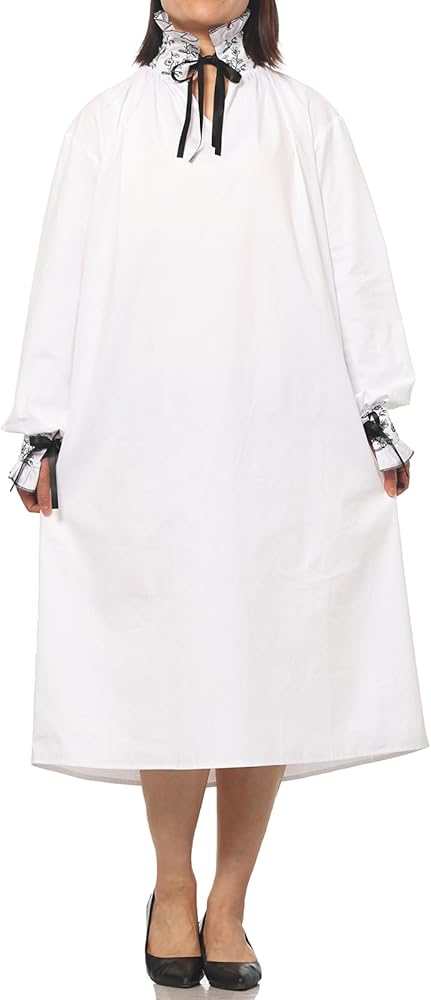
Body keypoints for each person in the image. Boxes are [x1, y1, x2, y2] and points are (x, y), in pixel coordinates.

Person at [2, 0, 428, 990]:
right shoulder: (103, 123)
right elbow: (60, 275)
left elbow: (356, 267)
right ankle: (170, 882)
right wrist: (42, 429)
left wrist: (376, 409)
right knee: (165, 655)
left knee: (265, 654)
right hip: (139, 432)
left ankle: (230, 899)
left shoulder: (306, 117)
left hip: (285, 428)